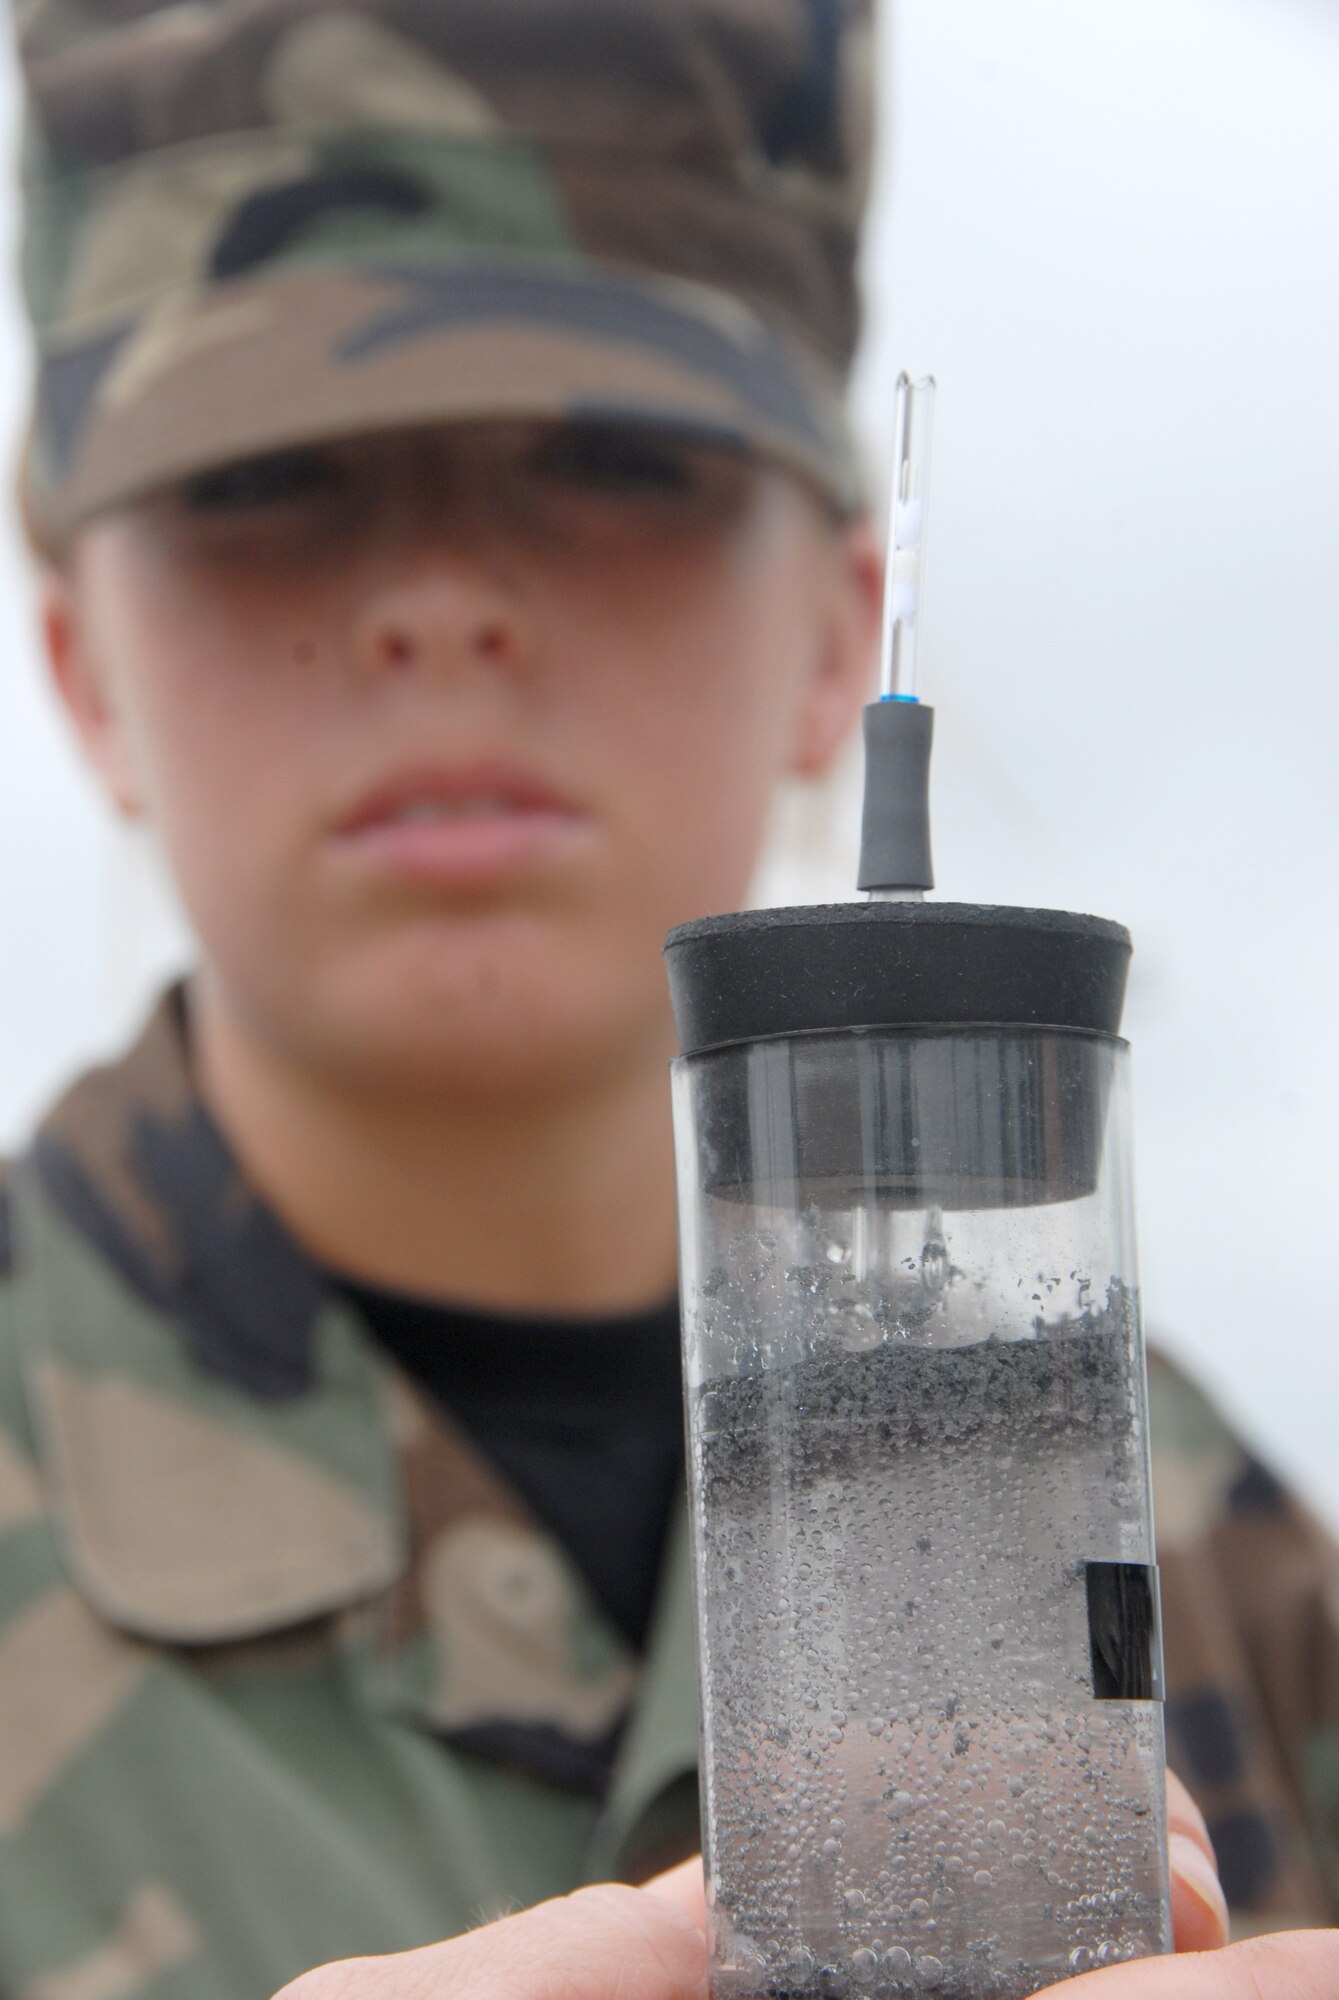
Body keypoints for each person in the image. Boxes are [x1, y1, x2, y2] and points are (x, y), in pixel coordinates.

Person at [0, 2, 1333, 1997]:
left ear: (833, 624)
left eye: (616, 459)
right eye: (268, 475)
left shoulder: (1208, 1560)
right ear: (81, 656)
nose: (439, 599)